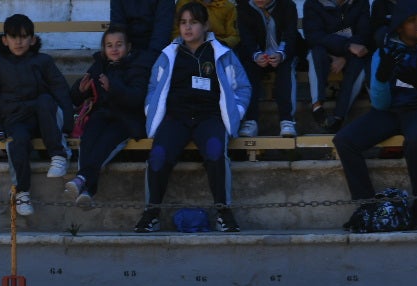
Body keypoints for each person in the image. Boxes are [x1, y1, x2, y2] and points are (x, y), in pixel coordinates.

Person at [134, 1, 251, 231]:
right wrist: (152, 110)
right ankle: (151, 213)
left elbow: (243, 88)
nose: (188, 28)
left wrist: (234, 113)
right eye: (183, 22)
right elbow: (152, 87)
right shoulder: (168, 55)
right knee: (158, 155)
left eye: (194, 22)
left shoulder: (222, 54)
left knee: (216, 151)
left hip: (209, 117)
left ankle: (224, 213)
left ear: (206, 25)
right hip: (176, 118)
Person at [331, 0, 417, 228]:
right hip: (391, 112)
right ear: (399, 26)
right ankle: (367, 206)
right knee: (344, 140)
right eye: (412, 20)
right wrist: (381, 79)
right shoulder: (383, 52)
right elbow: (380, 104)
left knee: (416, 140)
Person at [0, 12, 74, 219]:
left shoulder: (43, 61)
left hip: (44, 118)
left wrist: (67, 124)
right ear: (5, 40)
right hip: (15, 119)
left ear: (32, 39)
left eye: (24, 36)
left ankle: (58, 155)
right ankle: (22, 192)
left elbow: (61, 91)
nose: (19, 41)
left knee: (45, 100)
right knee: (17, 140)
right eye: (14, 37)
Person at [64, 24, 149, 208]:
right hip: (101, 115)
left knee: (104, 144)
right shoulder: (99, 65)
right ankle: (87, 190)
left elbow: (136, 97)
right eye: (109, 45)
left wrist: (113, 88)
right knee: (88, 140)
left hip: (125, 119)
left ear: (129, 47)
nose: (114, 49)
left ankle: (82, 179)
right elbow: (75, 96)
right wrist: (80, 89)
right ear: (104, 48)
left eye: (119, 44)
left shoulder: (137, 66)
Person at [234, 0, 304, 136]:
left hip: (283, 53)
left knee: (286, 69)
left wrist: (281, 54)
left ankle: (287, 120)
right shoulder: (244, 7)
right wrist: (256, 55)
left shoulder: (287, 5)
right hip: (257, 55)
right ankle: (250, 121)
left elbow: (290, 34)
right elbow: (246, 37)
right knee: (248, 70)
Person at [303, 0, 372, 131]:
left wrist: (345, 56)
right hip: (325, 50)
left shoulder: (361, 2)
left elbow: (364, 34)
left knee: (360, 62)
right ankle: (317, 107)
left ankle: (339, 117)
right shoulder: (313, 3)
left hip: (352, 53)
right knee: (316, 54)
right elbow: (314, 36)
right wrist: (346, 47)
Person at [176, 0, 241, 46]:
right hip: (189, 46)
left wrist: (219, 44)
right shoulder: (184, 3)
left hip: (219, 47)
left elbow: (234, 36)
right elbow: (176, 32)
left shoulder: (228, 7)